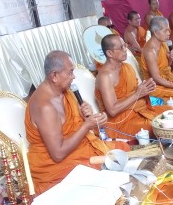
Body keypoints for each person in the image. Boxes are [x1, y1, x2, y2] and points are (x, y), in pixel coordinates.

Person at [25, 51, 129, 193]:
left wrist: (91, 117)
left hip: (79, 148)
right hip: (56, 165)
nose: (73, 77)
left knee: (122, 149)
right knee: (105, 169)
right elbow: (58, 154)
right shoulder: (45, 107)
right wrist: (86, 126)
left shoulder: (64, 92)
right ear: (54, 75)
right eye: (70, 72)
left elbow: (75, 122)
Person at [95, 35, 170, 140]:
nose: (125, 49)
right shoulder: (105, 76)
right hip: (121, 121)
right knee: (156, 126)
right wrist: (138, 94)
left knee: (170, 112)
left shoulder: (127, 67)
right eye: (121, 47)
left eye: (125, 45)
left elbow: (135, 91)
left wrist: (146, 88)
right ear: (109, 53)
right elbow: (112, 110)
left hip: (140, 110)